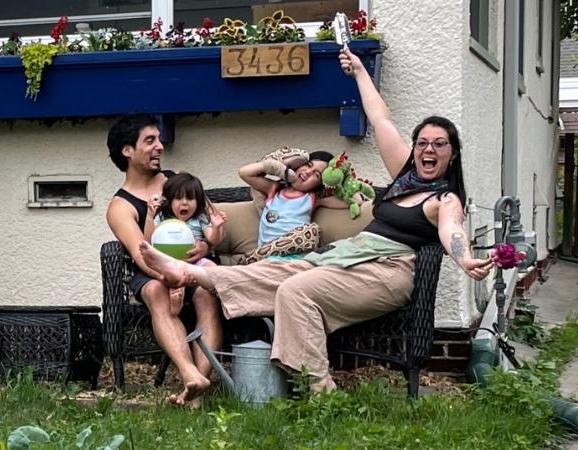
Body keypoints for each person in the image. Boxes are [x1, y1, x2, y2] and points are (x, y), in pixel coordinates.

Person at [137, 48, 495, 392]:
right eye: (422, 142)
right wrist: (358, 71)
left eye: (439, 144)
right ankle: (186, 272)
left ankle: (320, 392)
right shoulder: (404, 175)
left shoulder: (444, 198)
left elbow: (451, 230)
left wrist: (464, 258)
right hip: (348, 257)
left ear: (453, 153)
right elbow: (380, 117)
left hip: (387, 270)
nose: (428, 149)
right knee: (275, 271)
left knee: (296, 288)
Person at [105, 114, 221, 405]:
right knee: (158, 292)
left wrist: (205, 246)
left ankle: (196, 391)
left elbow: (211, 218)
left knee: (208, 293)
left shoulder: (176, 180)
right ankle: (190, 374)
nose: (160, 146)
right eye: (150, 140)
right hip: (153, 274)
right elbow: (141, 255)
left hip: (194, 264)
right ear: (127, 150)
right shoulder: (120, 207)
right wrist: (169, 276)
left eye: (159, 139)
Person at [238, 149, 352, 263]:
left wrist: (343, 179)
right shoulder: (274, 189)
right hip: (265, 258)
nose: (308, 172)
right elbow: (244, 173)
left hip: (293, 259)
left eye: (316, 175)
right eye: (308, 165)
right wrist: (280, 167)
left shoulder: (313, 198)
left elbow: (353, 201)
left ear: (319, 185)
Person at [145, 172, 227, 268]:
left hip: (195, 262)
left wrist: (216, 228)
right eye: (178, 198)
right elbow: (148, 240)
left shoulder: (199, 217)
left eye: (190, 198)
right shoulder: (162, 217)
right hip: (167, 261)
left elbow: (213, 240)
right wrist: (149, 217)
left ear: (198, 201)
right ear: (170, 201)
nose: (184, 202)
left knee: (211, 266)